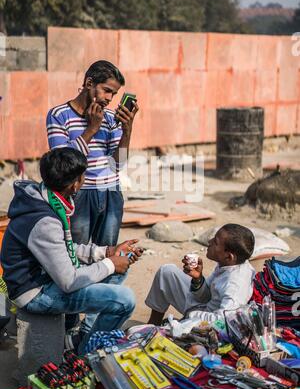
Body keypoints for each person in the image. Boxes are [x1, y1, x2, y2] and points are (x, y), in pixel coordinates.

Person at [0, 148, 143, 355]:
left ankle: (85, 335)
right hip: (34, 293)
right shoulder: (45, 220)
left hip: (45, 278)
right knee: (125, 300)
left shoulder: (45, 198)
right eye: (83, 176)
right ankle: (86, 354)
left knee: (121, 266)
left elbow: (63, 248)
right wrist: (110, 263)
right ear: (75, 184)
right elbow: (68, 281)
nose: (84, 180)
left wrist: (108, 251)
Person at [46, 60, 139, 333]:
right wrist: (90, 130)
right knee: (74, 257)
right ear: (89, 83)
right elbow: (61, 164)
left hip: (110, 193)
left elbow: (118, 163)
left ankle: (92, 324)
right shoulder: (59, 115)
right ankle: (70, 323)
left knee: (107, 257)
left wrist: (128, 129)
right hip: (78, 195)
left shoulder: (110, 118)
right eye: (106, 90)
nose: (110, 99)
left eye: (114, 94)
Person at [145, 224, 255, 325]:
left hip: (210, 324)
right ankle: (153, 324)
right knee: (167, 272)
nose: (209, 241)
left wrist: (190, 317)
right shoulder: (228, 265)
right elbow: (206, 296)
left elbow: (223, 321)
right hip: (204, 306)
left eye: (215, 242)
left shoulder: (235, 285)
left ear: (229, 256)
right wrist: (198, 280)